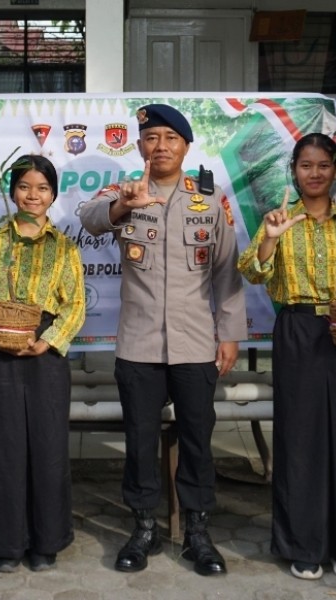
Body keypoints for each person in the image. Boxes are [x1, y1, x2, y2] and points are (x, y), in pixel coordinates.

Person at [79, 104, 247, 576]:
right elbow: (91, 219)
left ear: (186, 148)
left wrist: (230, 335)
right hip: (139, 345)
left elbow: (227, 274)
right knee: (139, 441)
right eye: (152, 138)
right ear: (139, 147)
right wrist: (124, 205)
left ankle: (197, 532)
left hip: (196, 345)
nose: (161, 146)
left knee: (197, 439)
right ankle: (143, 528)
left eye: (171, 138)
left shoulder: (208, 204)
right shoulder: (126, 194)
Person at [237, 132, 336, 581]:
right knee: (300, 440)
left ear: (335, 170)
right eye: (307, 165)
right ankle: (303, 545)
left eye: (324, 165)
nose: (315, 173)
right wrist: (270, 237)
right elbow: (251, 271)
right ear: (294, 171)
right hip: (299, 331)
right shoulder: (280, 219)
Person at [0, 154, 86, 573]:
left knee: (47, 448)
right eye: (25, 186)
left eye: (42, 188)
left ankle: (46, 541)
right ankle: (3, 542)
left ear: (53, 195)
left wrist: (48, 342)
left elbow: (75, 306)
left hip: (45, 355)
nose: (33, 195)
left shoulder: (64, 247)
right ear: (12, 191)